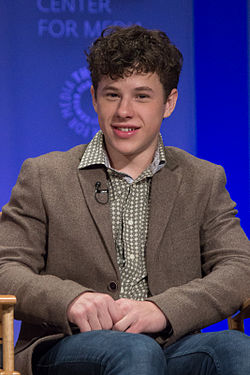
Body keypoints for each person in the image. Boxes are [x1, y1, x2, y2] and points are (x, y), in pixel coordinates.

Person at [0, 25, 250, 375]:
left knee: (237, 349)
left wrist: (164, 310)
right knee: (133, 354)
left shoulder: (202, 179)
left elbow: (240, 269)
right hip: (66, 345)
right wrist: (71, 301)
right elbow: (5, 268)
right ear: (94, 99)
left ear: (170, 102)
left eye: (142, 96)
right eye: (112, 95)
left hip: (172, 344)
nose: (124, 111)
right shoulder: (44, 175)